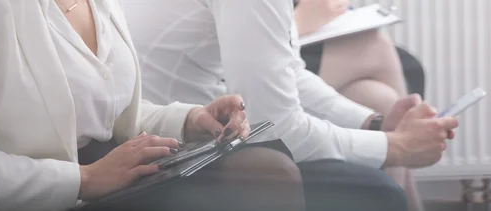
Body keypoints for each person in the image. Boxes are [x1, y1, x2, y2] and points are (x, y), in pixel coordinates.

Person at [0, 1, 309, 211]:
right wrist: (84, 179)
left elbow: (101, 113)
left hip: (110, 180)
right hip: (33, 196)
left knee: (269, 171)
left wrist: (190, 120)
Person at [122, 0, 458, 210]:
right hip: (176, 153)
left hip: (182, 130)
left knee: (373, 95)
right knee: (379, 191)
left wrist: (371, 123)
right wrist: (396, 147)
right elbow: (276, 130)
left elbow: (288, 71)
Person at [294, 0, 424, 210]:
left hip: (292, 43)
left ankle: (403, 196)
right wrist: (300, 20)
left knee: (381, 97)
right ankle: (405, 197)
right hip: (273, 58)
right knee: (377, 46)